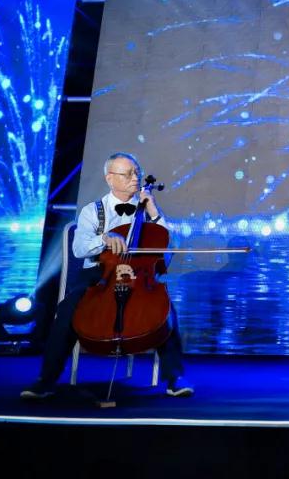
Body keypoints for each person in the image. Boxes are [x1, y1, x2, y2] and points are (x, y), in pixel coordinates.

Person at [21, 152, 193, 399]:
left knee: (165, 311)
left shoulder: (148, 212)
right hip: (99, 275)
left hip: (138, 275)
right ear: (110, 178)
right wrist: (104, 238)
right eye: (128, 174)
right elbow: (79, 248)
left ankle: (174, 377)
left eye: (137, 173)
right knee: (68, 309)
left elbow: (168, 247)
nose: (135, 178)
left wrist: (154, 212)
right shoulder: (93, 211)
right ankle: (46, 379)